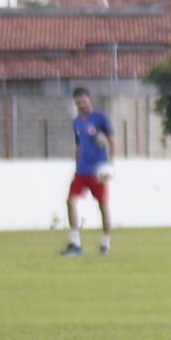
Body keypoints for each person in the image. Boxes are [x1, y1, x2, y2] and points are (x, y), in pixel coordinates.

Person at [60, 86, 114, 256]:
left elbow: (111, 140)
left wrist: (110, 165)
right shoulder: (76, 122)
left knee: (102, 205)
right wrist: (76, 166)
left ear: (89, 99)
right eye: (77, 103)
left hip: (98, 171)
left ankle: (105, 243)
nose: (81, 105)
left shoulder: (100, 118)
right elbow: (78, 145)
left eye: (83, 101)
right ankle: (75, 242)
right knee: (70, 201)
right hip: (82, 170)